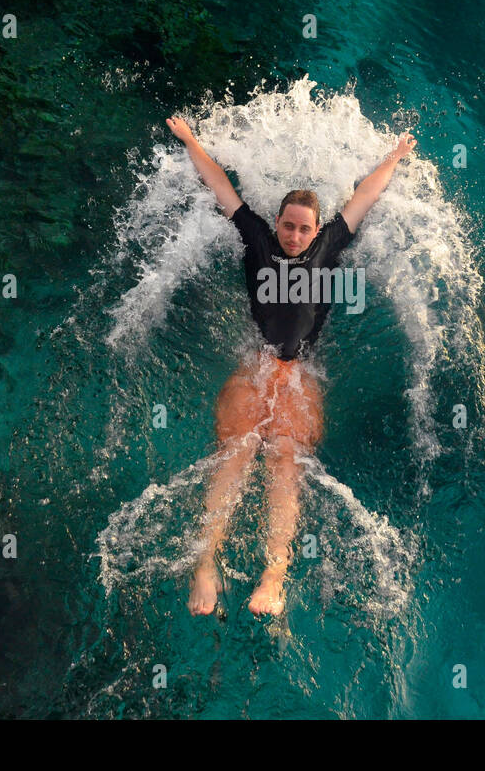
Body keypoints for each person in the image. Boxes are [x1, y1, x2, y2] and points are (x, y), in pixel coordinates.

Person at [164, 115, 416, 616]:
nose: (295, 236)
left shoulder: (330, 245)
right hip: (255, 366)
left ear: (316, 228)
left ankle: (273, 577)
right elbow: (220, 184)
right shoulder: (256, 239)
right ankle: (204, 566)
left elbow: (363, 197)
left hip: (300, 373)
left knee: (284, 458)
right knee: (235, 452)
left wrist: (392, 158)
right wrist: (191, 140)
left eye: (304, 228)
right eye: (288, 226)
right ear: (276, 223)